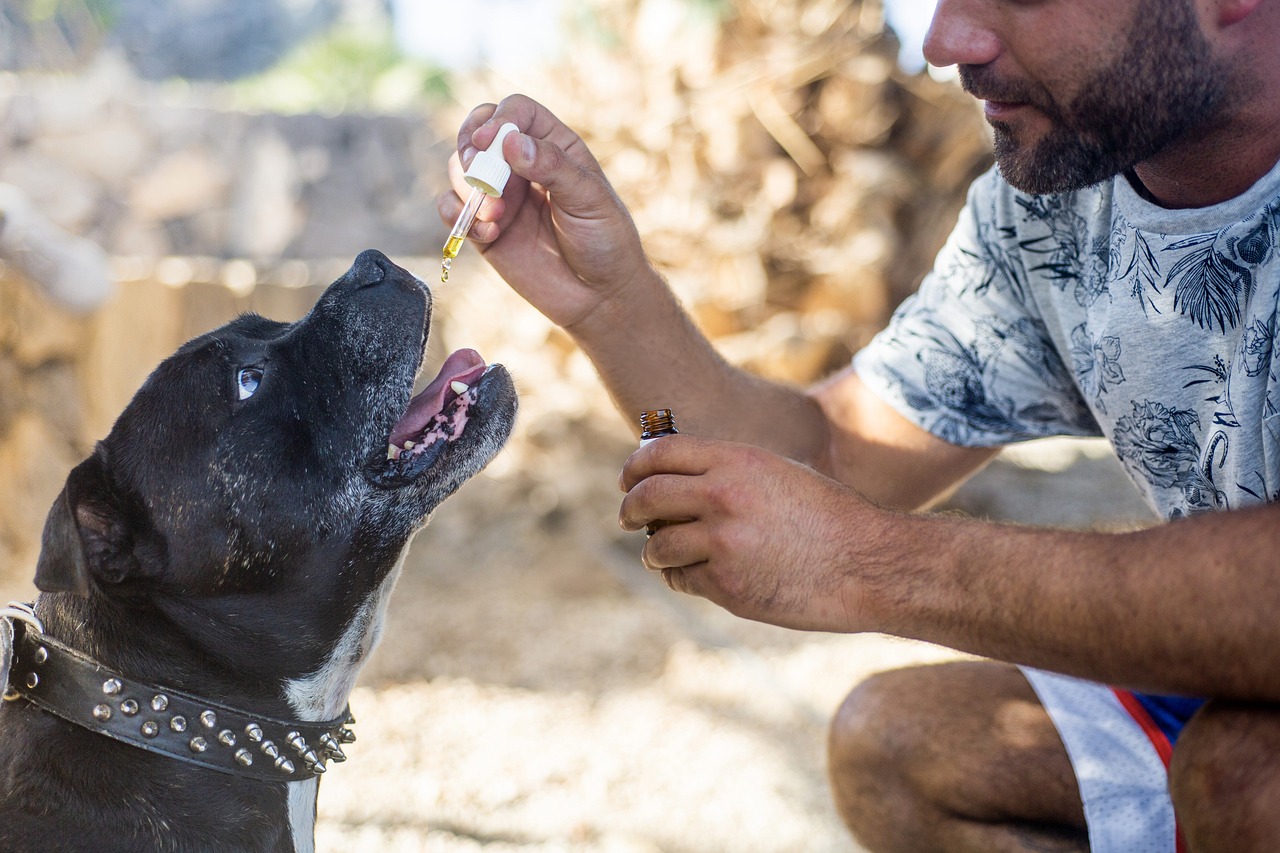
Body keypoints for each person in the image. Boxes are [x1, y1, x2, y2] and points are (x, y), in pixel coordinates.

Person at [437, 0, 1280, 849]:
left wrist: (871, 564)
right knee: (902, 744)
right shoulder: (1050, 216)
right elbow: (829, 455)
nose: (946, 41)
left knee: (1247, 778)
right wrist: (610, 303)